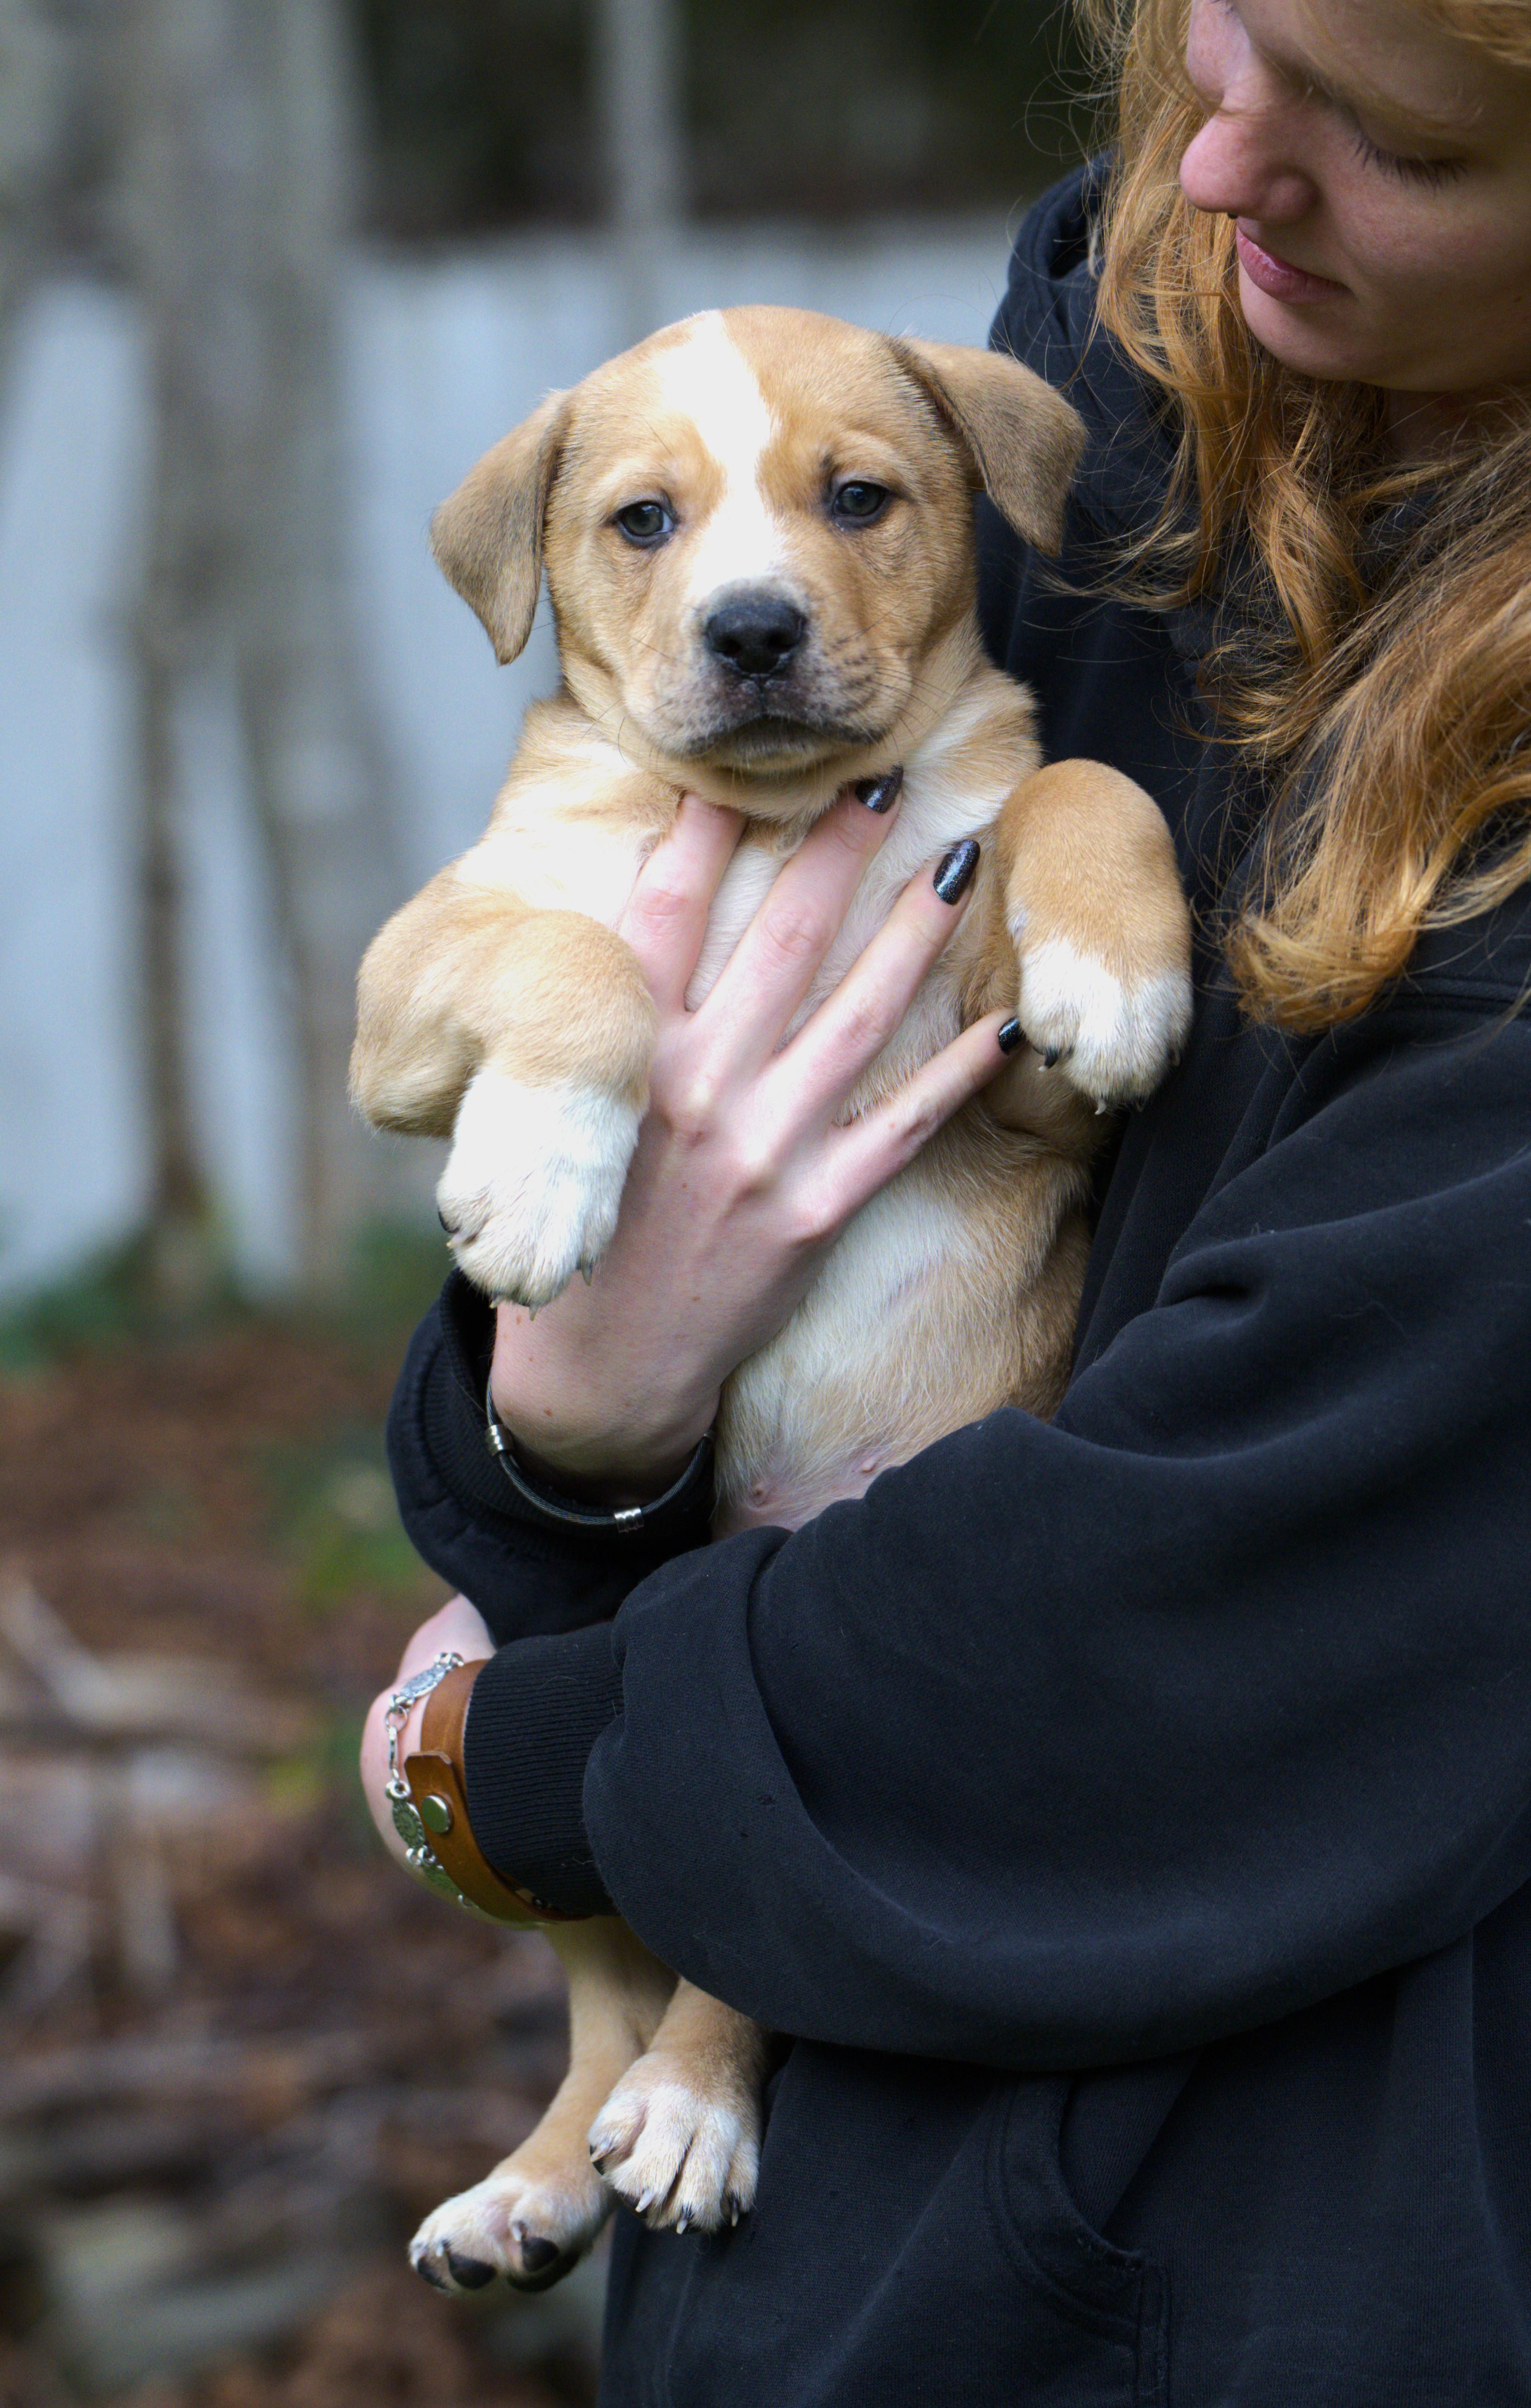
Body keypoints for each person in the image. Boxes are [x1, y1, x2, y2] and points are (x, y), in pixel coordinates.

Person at [361, 0, 1531, 2396]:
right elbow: (536, 1245)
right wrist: (549, 1434)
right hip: (812, 2219)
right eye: (1212, 42)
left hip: (1252, 2244)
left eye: (1387, 128)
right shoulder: (1118, 346)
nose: (1218, 170)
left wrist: (525, 1765)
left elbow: (1230, 1612)